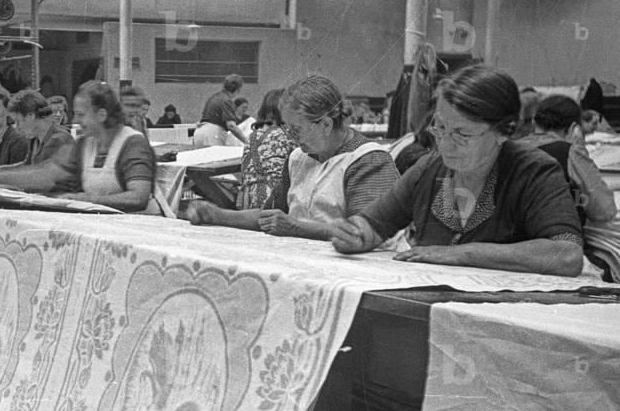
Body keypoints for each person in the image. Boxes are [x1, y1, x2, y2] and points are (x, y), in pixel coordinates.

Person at [331, 65, 585, 277]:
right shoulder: (430, 168)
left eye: (462, 134)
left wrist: (460, 253)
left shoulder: (533, 171)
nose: (445, 143)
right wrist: (356, 235)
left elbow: (567, 254)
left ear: (503, 131)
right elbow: (375, 223)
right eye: (440, 128)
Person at [187, 76, 399, 241]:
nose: (292, 138)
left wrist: (298, 228)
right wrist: (216, 215)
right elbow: (270, 215)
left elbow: (362, 234)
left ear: (326, 124)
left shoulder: (368, 161)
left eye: (297, 130)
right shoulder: (298, 157)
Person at [0, 81, 156, 212]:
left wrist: (86, 199)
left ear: (102, 115)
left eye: (81, 114)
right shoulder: (84, 145)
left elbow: (138, 197)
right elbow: (47, 174)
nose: (75, 120)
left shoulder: (133, 144)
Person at [519, 95, 616, 224]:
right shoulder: (570, 153)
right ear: (574, 128)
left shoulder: (508, 149)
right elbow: (604, 211)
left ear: (534, 122)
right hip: (557, 238)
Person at [0, 89, 74, 187]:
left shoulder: (59, 139)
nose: (18, 127)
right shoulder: (35, 138)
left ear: (31, 116)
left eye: (18, 121)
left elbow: (36, 177)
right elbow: (23, 166)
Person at [194, 73, 249, 146]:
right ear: (238, 89)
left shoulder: (214, 97)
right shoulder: (227, 100)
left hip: (199, 131)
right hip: (213, 133)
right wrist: (246, 141)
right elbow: (231, 126)